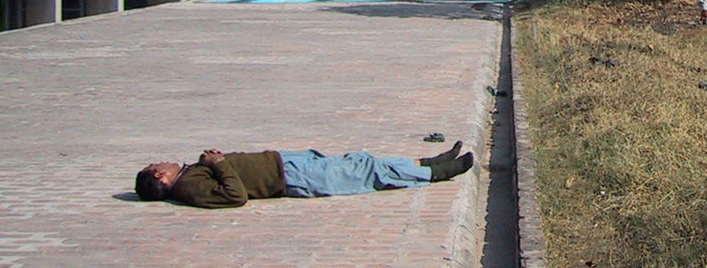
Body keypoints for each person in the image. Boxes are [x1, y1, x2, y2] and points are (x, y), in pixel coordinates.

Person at [135, 141, 474, 208]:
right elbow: (235, 196)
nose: (162, 162)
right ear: (161, 181)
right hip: (292, 178)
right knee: (366, 172)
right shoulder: (189, 189)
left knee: (360, 160)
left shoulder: (189, 175)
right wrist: (218, 163)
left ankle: (427, 162)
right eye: (157, 167)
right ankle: (438, 173)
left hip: (287, 162)